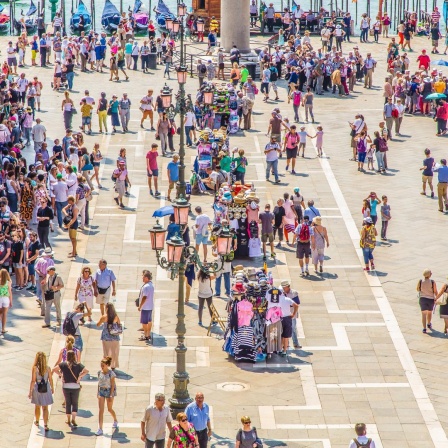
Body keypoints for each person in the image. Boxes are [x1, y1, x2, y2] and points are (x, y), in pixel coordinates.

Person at [52, 350, 89, 427]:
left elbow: (54, 369)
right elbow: (86, 371)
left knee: (68, 403)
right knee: (75, 403)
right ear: (74, 356)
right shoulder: (78, 365)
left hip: (66, 386)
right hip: (76, 386)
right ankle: (73, 419)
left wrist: (61, 375)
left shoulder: (63, 364)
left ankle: (68, 420)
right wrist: (80, 376)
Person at [29, 351, 54, 432]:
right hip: (46, 388)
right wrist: (52, 388)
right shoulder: (48, 368)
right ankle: (46, 425)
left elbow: (33, 381)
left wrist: (30, 391)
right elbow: (50, 379)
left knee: (37, 406)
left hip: (37, 388)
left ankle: (37, 421)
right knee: (45, 408)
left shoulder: (35, 368)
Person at [95, 356, 118, 436]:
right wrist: (98, 392)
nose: (102, 366)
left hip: (109, 391)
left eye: (103, 365)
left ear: (107, 365)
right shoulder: (99, 372)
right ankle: (100, 428)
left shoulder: (111, 374)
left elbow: (112, 385)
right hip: (101, 391)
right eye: (101, 365)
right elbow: (99, 382)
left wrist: (111, 395)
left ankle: (115, 419)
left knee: (109, 409)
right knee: (101, 410)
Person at [97, 302, 121, 369]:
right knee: (114, 352)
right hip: (115, 337)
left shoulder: (104, 317)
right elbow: (119, 324)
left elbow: (98, 324)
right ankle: (113, 365)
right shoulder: (116, 316)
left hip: (106, 337)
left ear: (106, 308)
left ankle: (106, 365)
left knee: (106, 352)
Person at [280, 280, 301, 349]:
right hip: (284, 315)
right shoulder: (281, 293)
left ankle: (296, 343)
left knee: (293, 329)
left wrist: (287, 304)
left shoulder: (294, 293)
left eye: (284, 287)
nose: (283, 289)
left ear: (288, 287)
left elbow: (297, 303)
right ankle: (287, 344)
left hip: (292, 314)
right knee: (285, 329)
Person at [137, 270, 154, 343]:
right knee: (149, 321)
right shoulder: (151, 285)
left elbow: (144, 297)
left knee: (144, 322)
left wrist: (140, 306)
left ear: (147, 278)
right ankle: (148, 334)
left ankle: (146, 335)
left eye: (143, 277)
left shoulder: (146, 287)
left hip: (145, 307)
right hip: (150, 306)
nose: (142, 278)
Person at [0, 268, 12, 334]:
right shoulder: (8, 282)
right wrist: (11, 301)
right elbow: (10, 292)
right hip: (5, 298)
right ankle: (3, 329)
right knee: (4, 314)